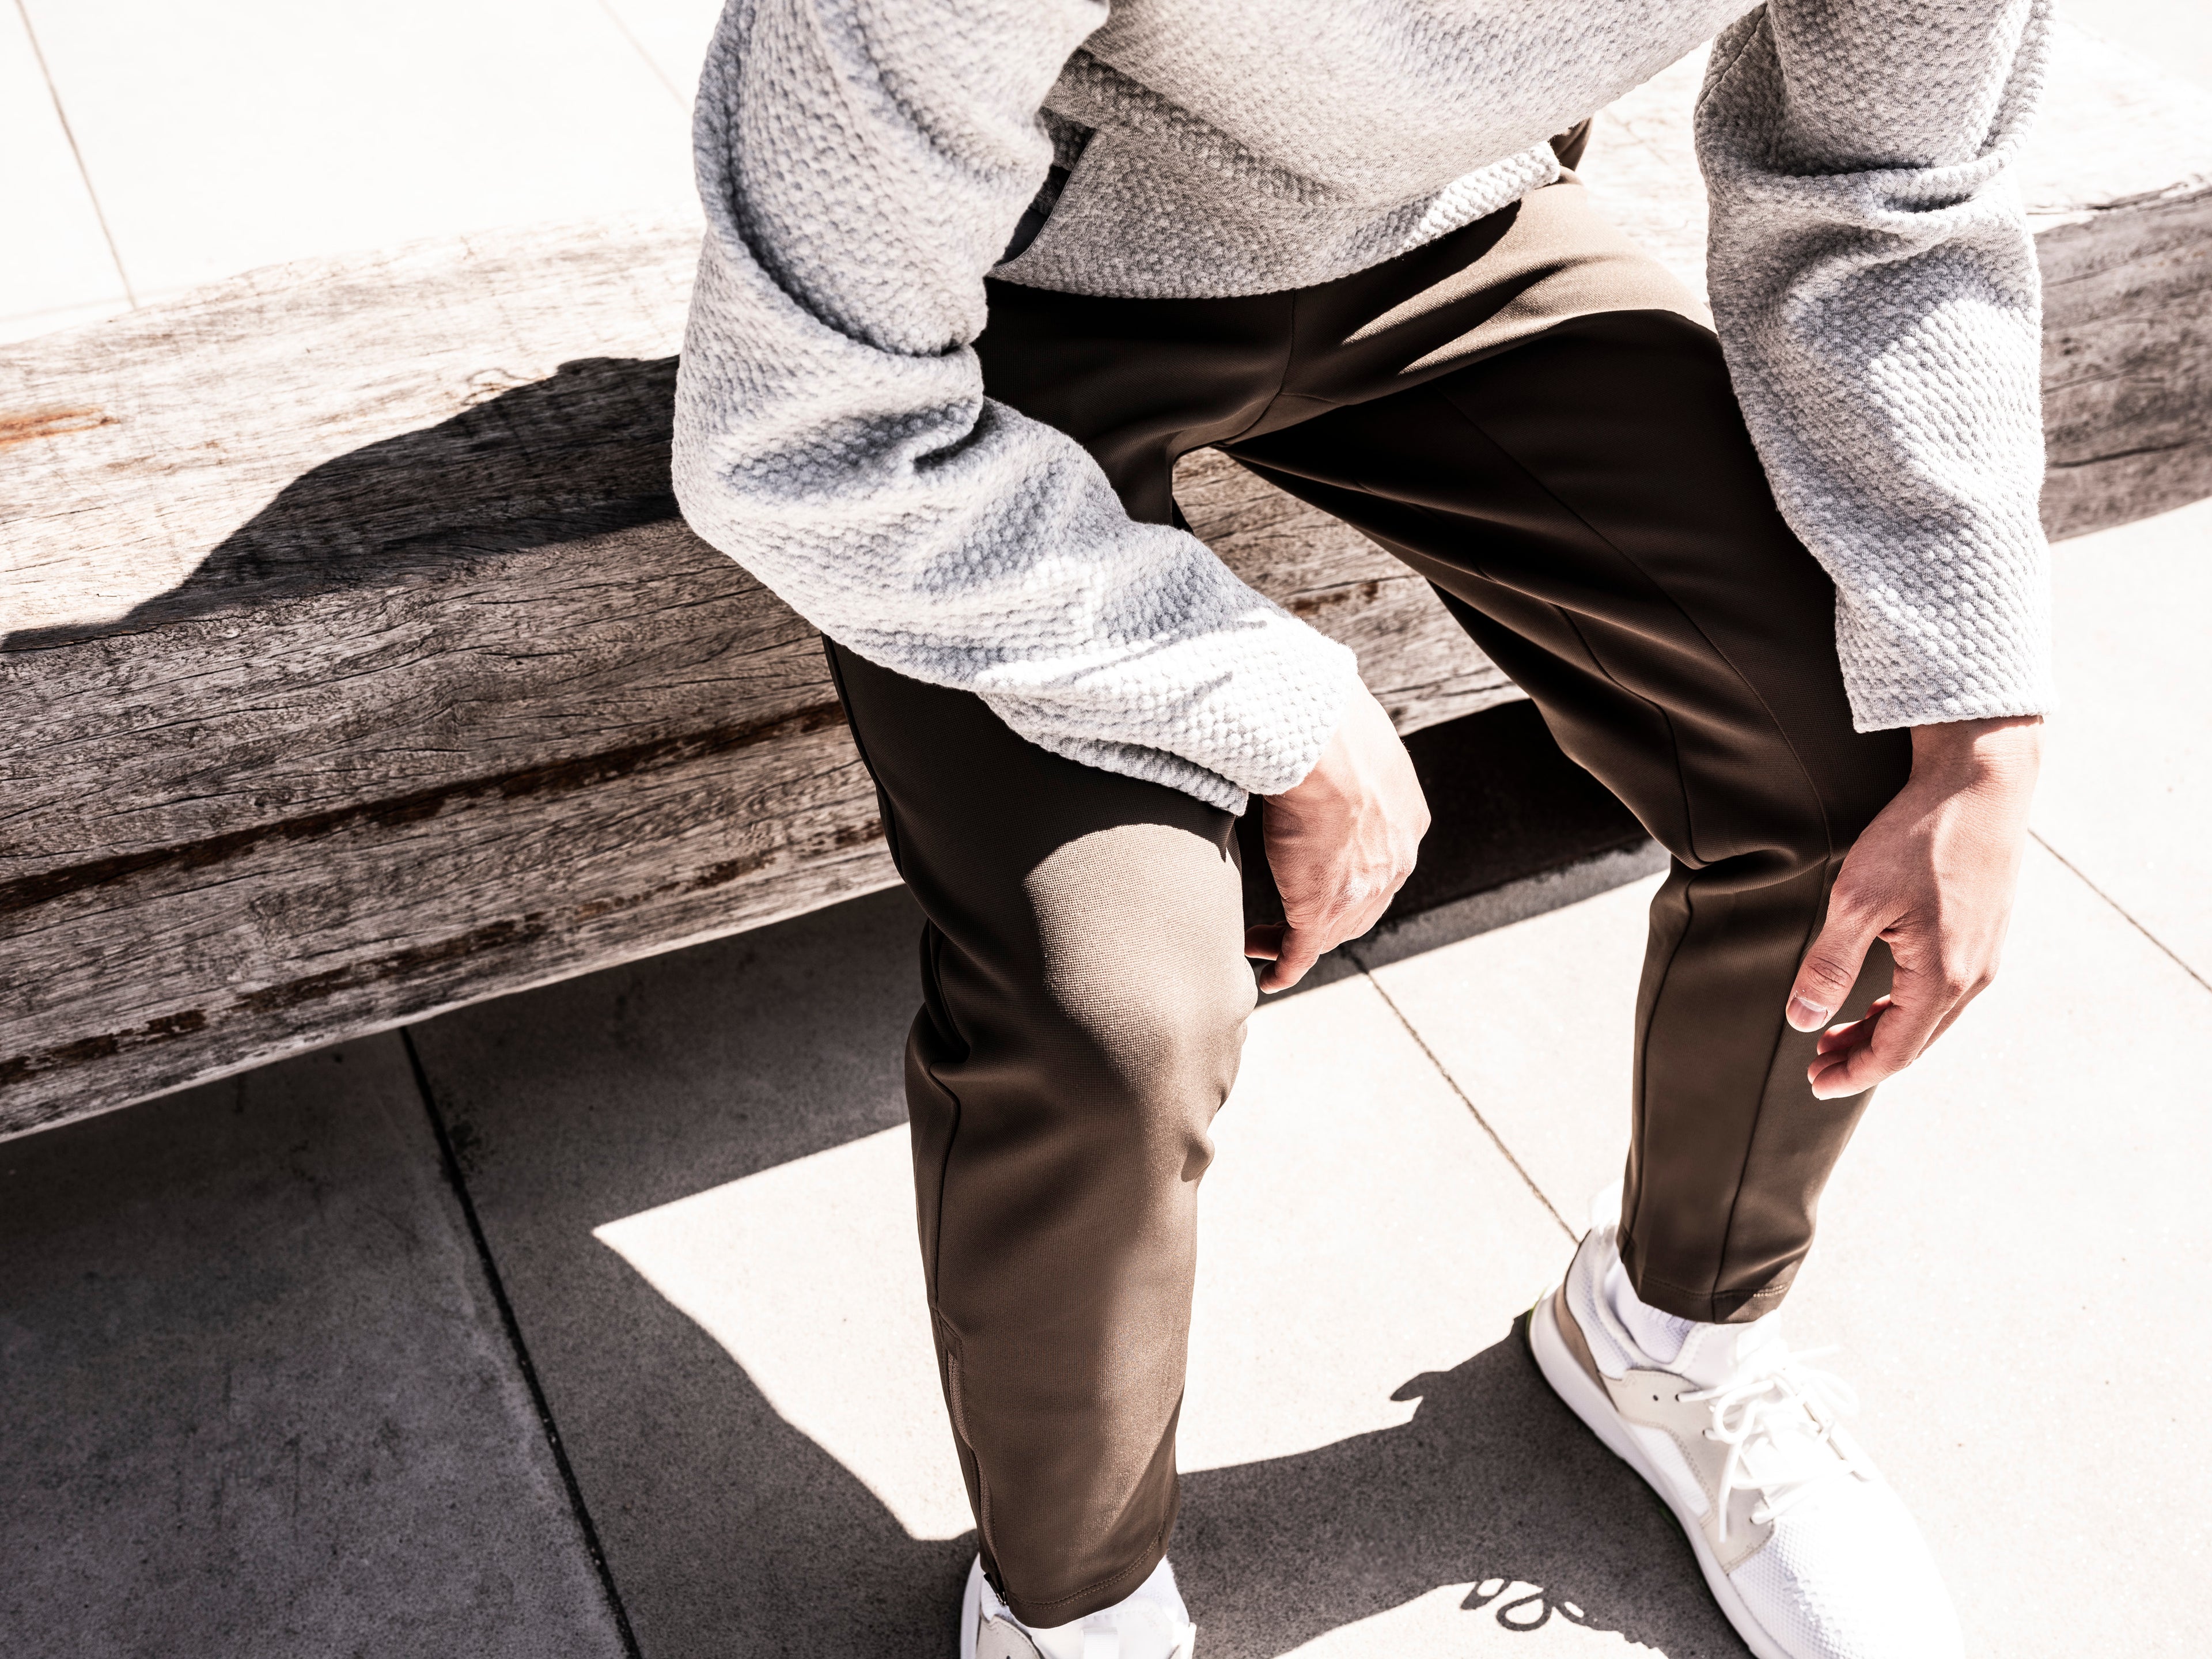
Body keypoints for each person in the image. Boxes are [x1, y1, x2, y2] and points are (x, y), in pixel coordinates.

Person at [671, 1, 2051, 1654]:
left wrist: (1982, 717)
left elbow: (1890, 192)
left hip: (1450, 233)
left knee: (1852, 780)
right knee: (1117, 1011)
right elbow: (800, 421)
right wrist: (1270, 699)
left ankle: (1670, 1345)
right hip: (998, 307)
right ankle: (1072, 1603)